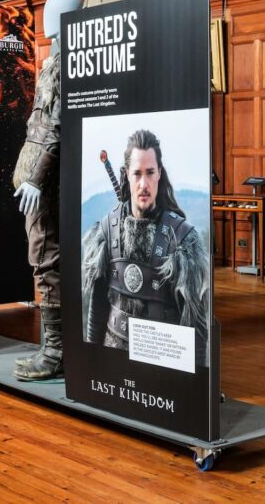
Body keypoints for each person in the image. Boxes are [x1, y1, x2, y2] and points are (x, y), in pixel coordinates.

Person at [81, 129, 210, 365]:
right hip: (114, 360)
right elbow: (97, 309)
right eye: (137, 173)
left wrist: (198, 385)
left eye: (150, 173)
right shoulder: (107, 232)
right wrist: (92, 363)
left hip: (162, 364)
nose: (143, 184)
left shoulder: (183, 240)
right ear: (126, 175)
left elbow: (197, 328)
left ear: (159, 173)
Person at [11, 0, 81, 381]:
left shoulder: (64, 65)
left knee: (46, 257)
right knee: (46, 256)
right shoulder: (57, 61)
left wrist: (37, 178)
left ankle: (55, 351)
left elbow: (54, 125)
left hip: (48, 180)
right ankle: (55, 347)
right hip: (41, 175)